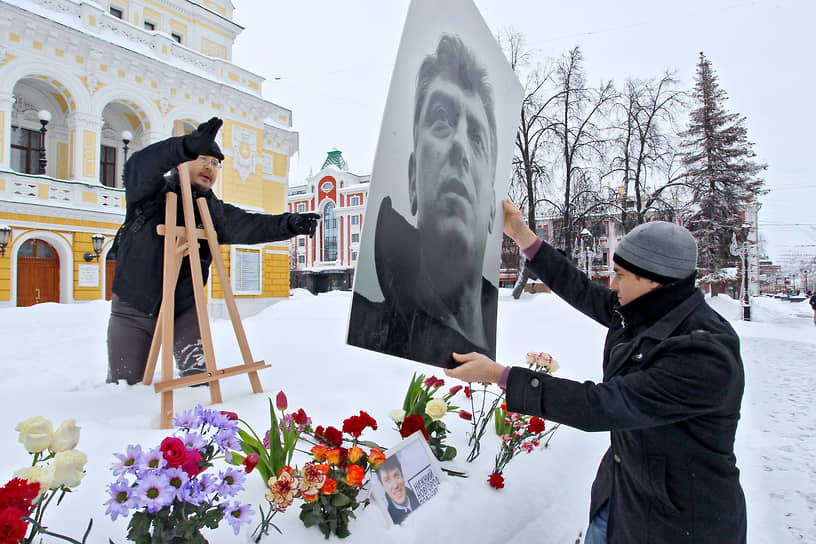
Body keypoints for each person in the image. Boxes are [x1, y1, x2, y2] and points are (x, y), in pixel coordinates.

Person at [446, 200, 747, 544]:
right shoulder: (646, 311)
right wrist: (520, 233)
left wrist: (501, 376)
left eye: (620, 275)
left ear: (655, 282)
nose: (612, 285)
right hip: (622, 499)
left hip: (679, 524)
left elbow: (601, 406)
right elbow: (582, 290)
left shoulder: (704, 355)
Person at [107, 117, 319, 385]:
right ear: (182, 162)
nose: (210, 166)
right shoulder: (150, 194)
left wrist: (290, 223)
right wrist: (184, 146)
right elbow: (139, 166)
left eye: (216, 163)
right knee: (124, 387)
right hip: (135, 306)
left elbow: (252, 225)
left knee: (199, 383)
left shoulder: (212, 211)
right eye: (203, 158)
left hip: (184, 307)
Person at [348, 34, 499, 368]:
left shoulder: (495, 340)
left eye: (477, 137)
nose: (460, 145)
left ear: (492, 206)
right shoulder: (368, 330)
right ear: (413, 180)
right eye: (442, 118)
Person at [376, 455, 420, 524]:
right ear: (383, 486)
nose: (395, 485)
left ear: (402, 476)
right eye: (387, 480)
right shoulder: (389, 520)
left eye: (396, 476)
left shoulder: (420, 496)